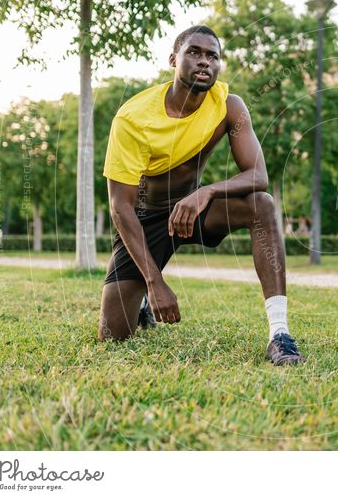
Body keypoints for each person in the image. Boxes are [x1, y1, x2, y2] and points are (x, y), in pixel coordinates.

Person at [99, 25, 304, 365]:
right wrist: (155, 281)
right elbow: (120, 207)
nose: (204, 62)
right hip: (146, 218)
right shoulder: (133, 119)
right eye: (194, 52)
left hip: (193, 211)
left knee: (261, 205)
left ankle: (279, 333)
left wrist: (206, 192)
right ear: (173, 60)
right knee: (113, 336)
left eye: (213, 56)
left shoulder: (228, 107)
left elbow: (258, 176)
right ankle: (143, 304)